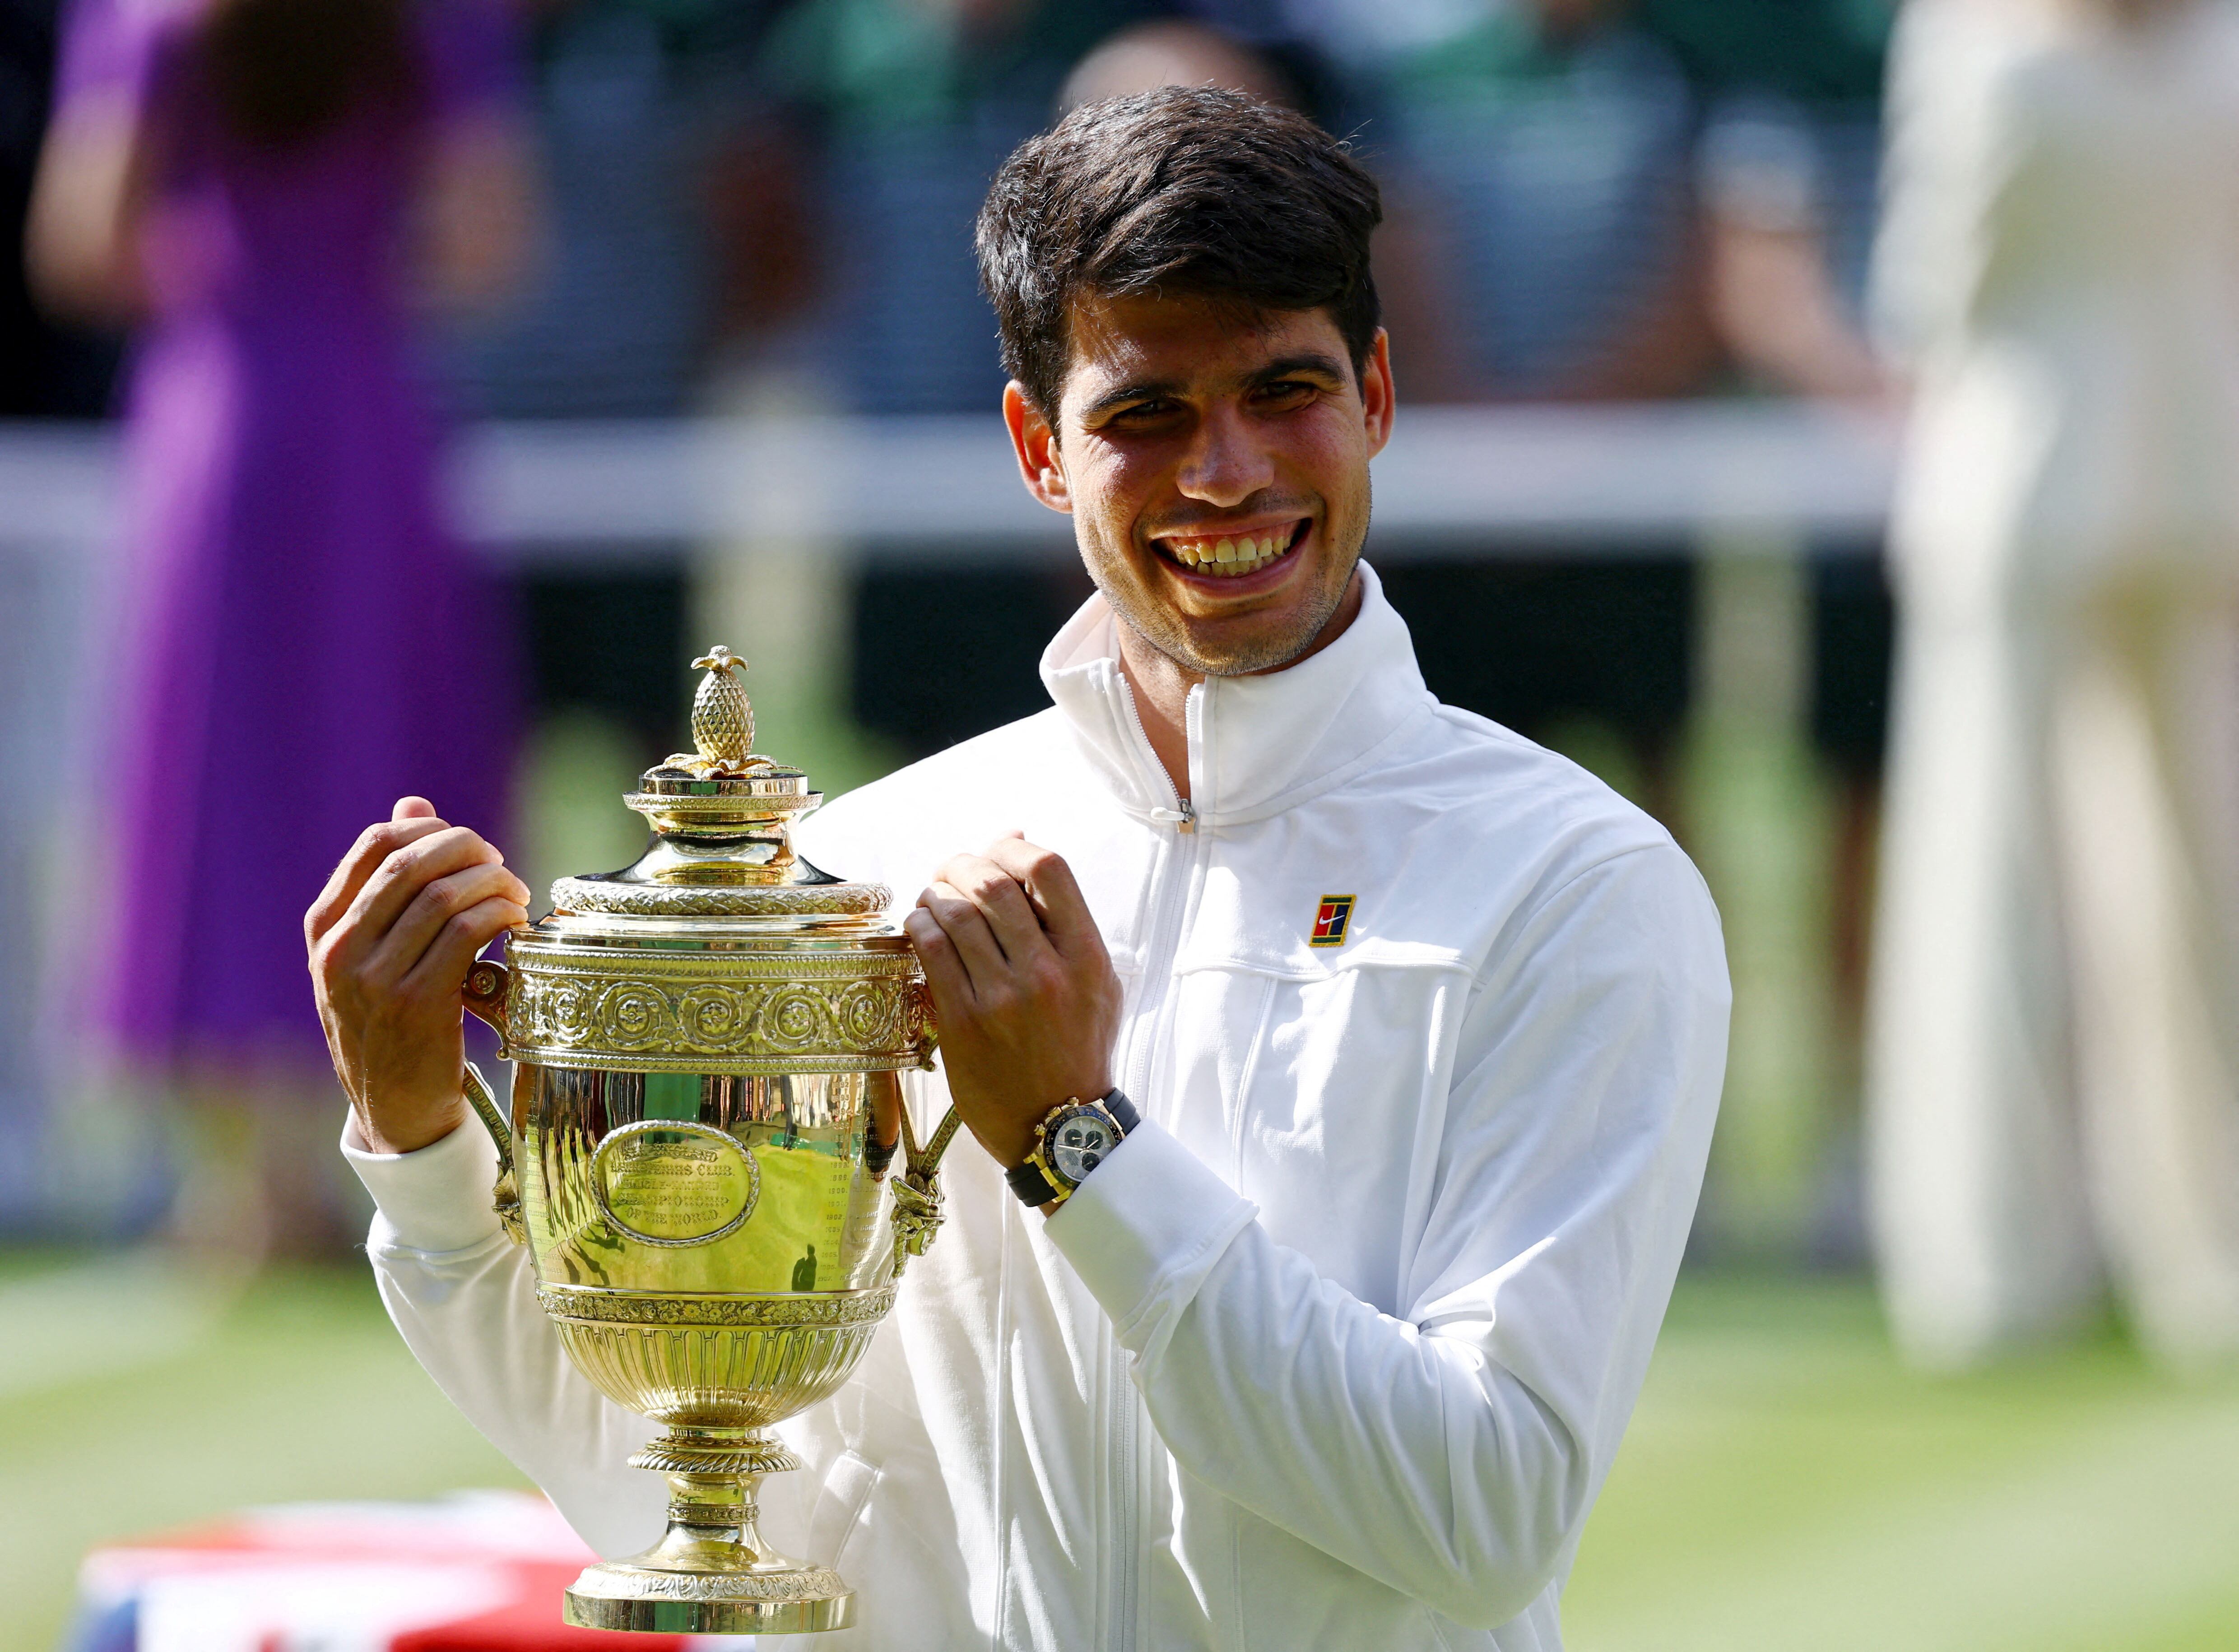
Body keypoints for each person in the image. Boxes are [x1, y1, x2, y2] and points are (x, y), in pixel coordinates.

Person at [310, 88, 1730, 1648]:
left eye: (1285, 389)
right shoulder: (857, 873)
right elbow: (687, 1486)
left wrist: (1078, 1145)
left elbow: (1488, 1513)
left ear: (1378, 393)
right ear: (1038, 447)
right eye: (1148, 414)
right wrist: (423, 1139)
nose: (1229, 470)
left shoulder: (1576, 882)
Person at [28, 0, 534, 1256]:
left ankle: (233, 1174)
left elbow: (81, 242)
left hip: (219, 412)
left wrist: (222, 263)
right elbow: (486, 243)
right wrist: (349, 259)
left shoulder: (149, 20)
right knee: (377, 746)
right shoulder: (441, 20)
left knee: (213, 772)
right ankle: (373, 1143)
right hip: (365, 411)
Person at [1867, 0, 2239, 1368]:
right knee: (2199, 882)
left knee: (1994, 884)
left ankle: (1999, 1261)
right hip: (2195, 462)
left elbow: (1930, 285)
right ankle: (2200, 1259)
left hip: (2024, 465)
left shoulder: (1974, 41)